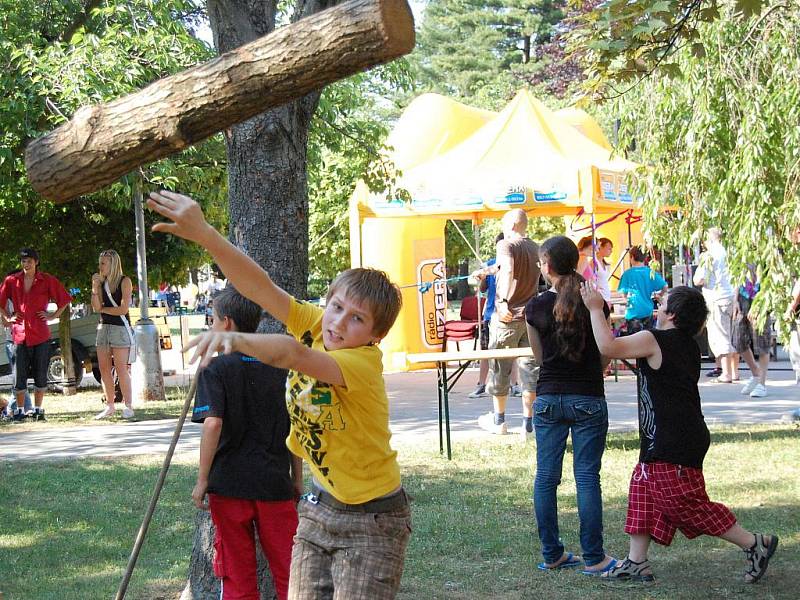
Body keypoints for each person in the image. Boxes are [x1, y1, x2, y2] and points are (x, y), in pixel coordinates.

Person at [147, 189, 411, 599]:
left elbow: (292, 353)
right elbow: (260, 287)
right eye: (337, 306)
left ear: (376, 335)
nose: (338, 323)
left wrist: (234, 338)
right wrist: (206, 234)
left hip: (372, 519)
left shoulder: (361, 364)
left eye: (357, 319)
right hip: (320, 508)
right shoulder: (319, 323)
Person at [581, 283, 778, 584]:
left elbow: (608, 347)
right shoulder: (684, 341)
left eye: (664, 301)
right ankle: (636, 562)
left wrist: (596, 309)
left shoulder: (655, 340)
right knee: (642, 494)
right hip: (671, 436)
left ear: (671, 314)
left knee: (685, 506)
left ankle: (755, 544)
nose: (658, 302)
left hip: (674, 440)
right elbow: (646, 337)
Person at [191, 285, 301, 600]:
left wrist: (201, 480)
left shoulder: (213, 367)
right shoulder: (281, 365)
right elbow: (295, 426)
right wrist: (298, 479)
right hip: (275, 481)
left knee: (236, 573)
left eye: (212, 319)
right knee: (289, 570)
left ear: (226, 323)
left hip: (229, 485)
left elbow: (212, 422)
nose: (210, 325)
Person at [525, 236, 616, 575]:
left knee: (546, 478)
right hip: (588, 396)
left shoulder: (533, 308)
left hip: (548, 397)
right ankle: (594, 557)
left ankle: (552, 554)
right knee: (587, 477)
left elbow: (539, 358)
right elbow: (606, 349)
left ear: (547, 266)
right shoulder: (595, 301)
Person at [474, 209, 540, 438]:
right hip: (530, 318)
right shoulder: (534, 247)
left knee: (500, 368)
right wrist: (485, 272)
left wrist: (502, 301)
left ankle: (499, 421)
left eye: (503, 223)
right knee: (530, 370)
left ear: (512, 224)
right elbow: (504, 267)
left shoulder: (505, 245)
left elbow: (509, 269)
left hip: (508, 316)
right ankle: (528, 425)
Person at [0, 248, 71, 422]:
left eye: (29, 260)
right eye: (23, 261)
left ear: (36, 262)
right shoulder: (12, 280)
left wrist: (53, 316)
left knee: (40, 374)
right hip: (19, 334)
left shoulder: (46, 280)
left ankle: (38, 410)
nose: (26, 264)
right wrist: (7, 317)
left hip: (40, 334)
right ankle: (20, 412)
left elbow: (64, 299)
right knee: (19, 376)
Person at [91, 250, 135, 419]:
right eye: (100, 262)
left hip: (119, 328)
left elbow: (123, 309)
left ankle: (128, 405)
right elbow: (96, 307)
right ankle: (109, 405)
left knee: (121, 367)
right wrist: (94, 288)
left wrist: (104, 309)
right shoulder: (101, 283)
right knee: (103, 368)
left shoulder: (125, 281)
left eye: (103, 263)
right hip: (103, 327)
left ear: (113, 264)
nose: (100, 266)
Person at [693, 228, 736, 382]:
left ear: (709, 239)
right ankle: (733, 371)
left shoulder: (709, 255)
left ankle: (726, 373)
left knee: (720, 335)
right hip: (730, 296)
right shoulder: (729, 252)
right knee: (730, 334)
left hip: (716, 297)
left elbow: (698, 279)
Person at [731, 266, 770, 398]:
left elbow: (770, 279)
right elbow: (738, 274)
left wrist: (760, 304)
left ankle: (762, 384)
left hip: (760, 298)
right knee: (738, 339)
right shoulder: (741, 251)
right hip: (743, 297)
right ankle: (755, 373)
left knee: (762, 341)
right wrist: (735, 300)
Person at [1, 284, 33, 421]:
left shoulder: (24, 298)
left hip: (26, 340)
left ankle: (26, 407)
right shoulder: (6, 300)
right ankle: (11, 409)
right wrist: (12, 319)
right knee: (18, 377)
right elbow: (5, 322)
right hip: (13, 342)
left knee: (21, 377)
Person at [618, 246, 667, 334]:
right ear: (644, 258)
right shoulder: (650, 272)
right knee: (649, 339)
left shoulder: (627, 274)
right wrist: (660, 295)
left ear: (632, 257)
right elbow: (665, 286)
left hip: (633, 312)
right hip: (648, 311)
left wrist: (626, 299)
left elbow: (623, 293)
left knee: (634, 341)